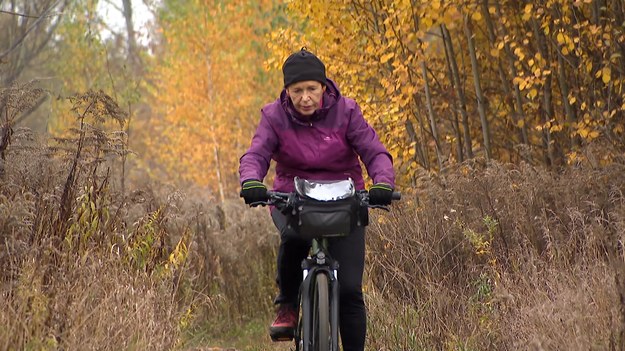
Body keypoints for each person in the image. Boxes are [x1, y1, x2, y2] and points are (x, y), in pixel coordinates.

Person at [238, 47, 395, 351]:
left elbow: (374, 151)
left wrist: (383, 183)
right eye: (298, 90)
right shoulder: (273, 116)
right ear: (287, 90)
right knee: (294, 237)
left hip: (345, 199)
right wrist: (251, 181)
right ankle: (287, 304)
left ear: (324, 87)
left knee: (350, 291)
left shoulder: (347, 111)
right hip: (292, 195)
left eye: (312, 89)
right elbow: (257, 153)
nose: (305, 97)